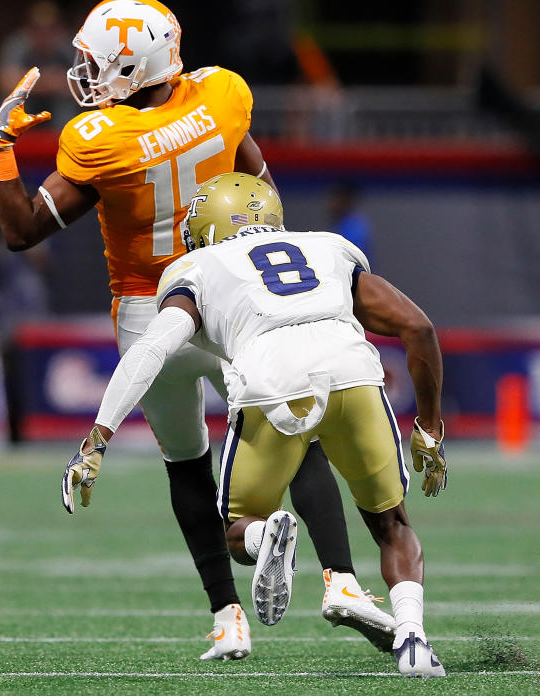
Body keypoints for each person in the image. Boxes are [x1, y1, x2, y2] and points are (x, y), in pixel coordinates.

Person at [0, 0, 392, 659]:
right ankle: (342, 579)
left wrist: (1, 147)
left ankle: (228, 614)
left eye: (100, 62)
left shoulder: (100, 140)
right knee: (295, 435)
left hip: (152, 311)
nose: (86, 74)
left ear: (137, 64)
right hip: (233, 297)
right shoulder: (223, 96)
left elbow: (21, 230)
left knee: (186, 462)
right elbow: (263, 196)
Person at [66, 172, 449, 677]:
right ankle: (414, 641)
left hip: (271, 382)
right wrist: (428, 427)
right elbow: (417, 326)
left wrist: (98, 438)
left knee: (236, 528)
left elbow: (153, 348)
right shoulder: (329, 247)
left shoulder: (197, 265)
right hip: (353, 370)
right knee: (392, 524)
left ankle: (264, 535)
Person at [0, 0, 75, 129]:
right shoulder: (18, 44)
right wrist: (48, 81)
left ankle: (64, 138)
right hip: (25, 110)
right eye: (38, 29)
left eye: (50, 29)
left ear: (58, 29)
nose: (44, 34)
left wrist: (36, 81)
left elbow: (84, 84)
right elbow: (4, 80)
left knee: (65, 99)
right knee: (15, 98)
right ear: (28, 28)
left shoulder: (67, 46)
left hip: (56, 113)